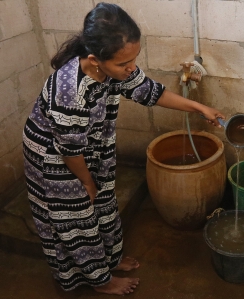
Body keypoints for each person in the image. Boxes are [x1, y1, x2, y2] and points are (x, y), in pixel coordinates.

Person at [22, 2, 224, 296]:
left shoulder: (114, 69)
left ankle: (109, 261)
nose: (131, 68)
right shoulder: (69, 93)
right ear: (95, 60)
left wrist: (199, 107)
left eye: (134, 59)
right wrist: (87, 181)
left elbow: (151, 92)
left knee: (103, 204)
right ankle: (99, 280)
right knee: (78, 219)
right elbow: (69, 152)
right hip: (56, 159)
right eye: (123, 64)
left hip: (88, 149)